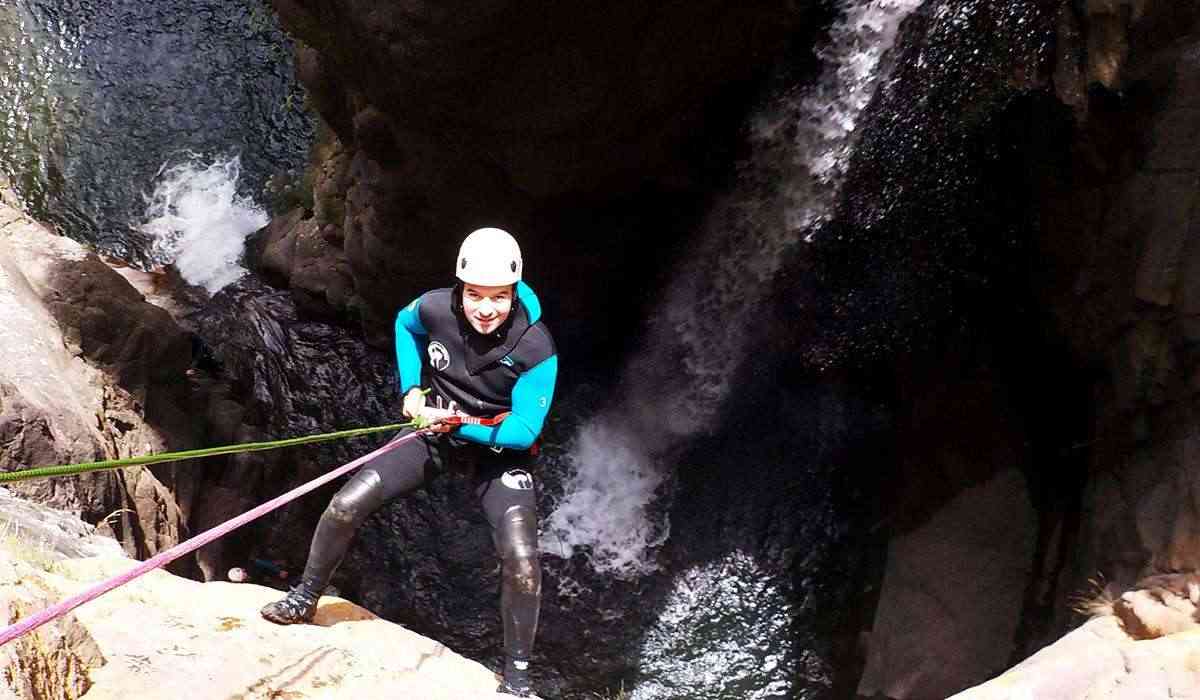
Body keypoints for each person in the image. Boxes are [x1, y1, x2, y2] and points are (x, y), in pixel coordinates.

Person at [259, 227, 558, 698]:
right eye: (476, 295)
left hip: (496, 454)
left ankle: (518, 680)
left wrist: (454, 422)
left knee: (522, 561)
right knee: (344, 505)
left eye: (499, 297)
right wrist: (412, 389)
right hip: (433, 434)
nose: (485, 308)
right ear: (461, 287)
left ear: (515, 292)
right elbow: (404, 324)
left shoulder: (535, 347)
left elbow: (524, 430)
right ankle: (303, 598)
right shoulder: (436, 307)